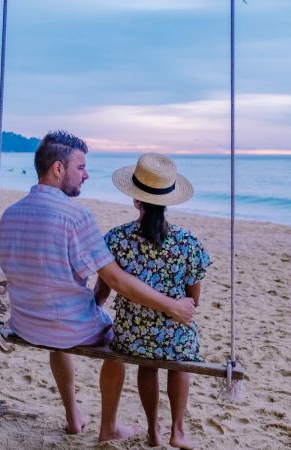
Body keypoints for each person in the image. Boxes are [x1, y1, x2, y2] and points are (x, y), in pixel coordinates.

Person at [0, 130, 197, 442]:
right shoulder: (76, 216)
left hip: (25, 322)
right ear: (58, 169)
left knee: (64, 327)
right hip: (65, 327)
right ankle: (109, 427)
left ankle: (73, 415)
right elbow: (117, 280)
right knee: (117, 339)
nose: (87, 175)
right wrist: (173, 306)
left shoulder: (9, 214)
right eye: (81, 168)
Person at [95, 153, 210, 449]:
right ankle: (178, 430)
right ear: (169, 200)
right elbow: (193, 299)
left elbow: (103, 292)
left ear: (136, 200)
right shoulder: (188, 243)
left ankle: (152, 431)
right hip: (173, 335)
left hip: (131, 336)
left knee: (147, 363)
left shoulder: (116, 239)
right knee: (180, 358)